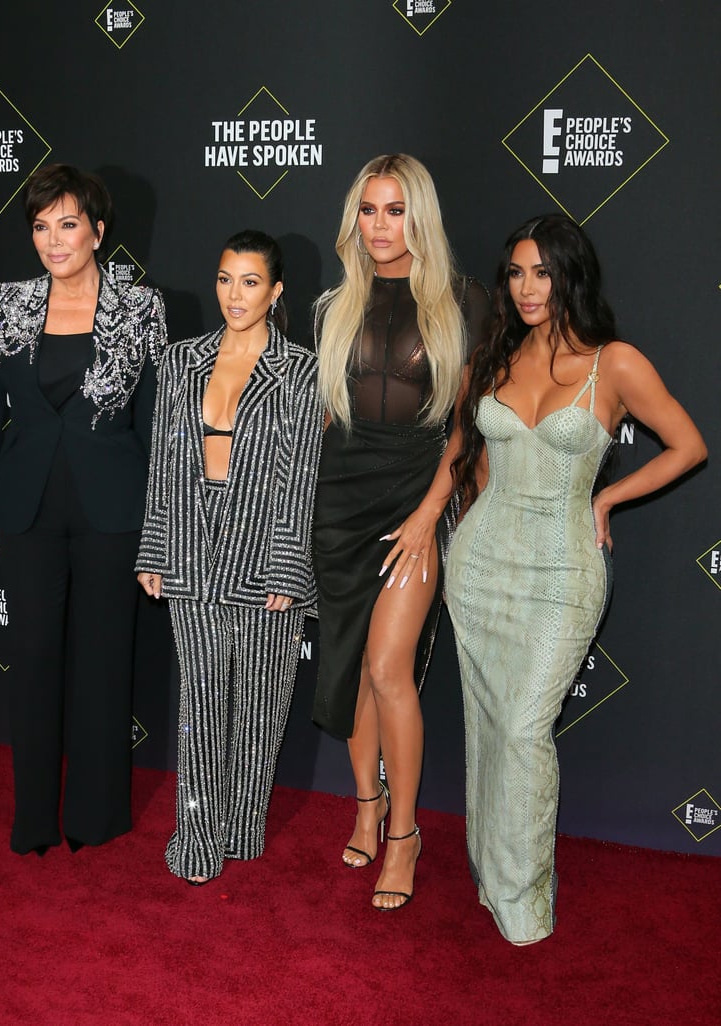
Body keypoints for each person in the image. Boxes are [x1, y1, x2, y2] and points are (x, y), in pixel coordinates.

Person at [445, 212, 707, 944]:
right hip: (481, 567)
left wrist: (609, 495)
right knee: (486, 727)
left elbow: (689, 445)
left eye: (543, 272)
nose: (528, 288)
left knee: (526, 728)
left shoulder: (614, 362)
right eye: (517, 273)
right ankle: (490, 873)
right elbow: (478, 465)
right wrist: (464, 528)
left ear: (570, 276)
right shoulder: (493, 358)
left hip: (564, 567)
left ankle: (524, 900)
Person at [0, 163, 168, 856]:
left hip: (113, 511)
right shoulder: (6, 303)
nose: (54, 240)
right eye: (41, 227)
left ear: (99, 230)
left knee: (105, 664)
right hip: (25, 512)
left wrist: (158, 532)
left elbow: (157, 429)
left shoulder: (140, 309)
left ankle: (97, 814)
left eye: (69, 224)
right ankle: (34, 821)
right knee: (33, 660)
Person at [312, 154, 489, 910]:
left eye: (395, 210)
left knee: (389, 668)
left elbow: (463, 430)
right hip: (340, 506)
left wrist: (427, 517)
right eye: (368, 209)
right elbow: (324, 423)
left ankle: (406, 834)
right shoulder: (332, 306)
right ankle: (365, 804)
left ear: (421, 215)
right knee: (354, 666)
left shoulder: (464, 302)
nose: (381, 226)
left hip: (416, 501)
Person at [136, 230, 323, 885]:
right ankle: (196, 835)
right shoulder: (180, 360)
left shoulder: (301, 370)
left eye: (249, 282)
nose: (234, 295)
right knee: (202, 698)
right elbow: (163, 459)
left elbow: (299, 475)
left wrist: (289, 564)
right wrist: (156, 546)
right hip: (191, 540)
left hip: (263, 544)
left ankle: (241, 826)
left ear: (275, 292)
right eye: (224, 279)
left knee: (264, 701)